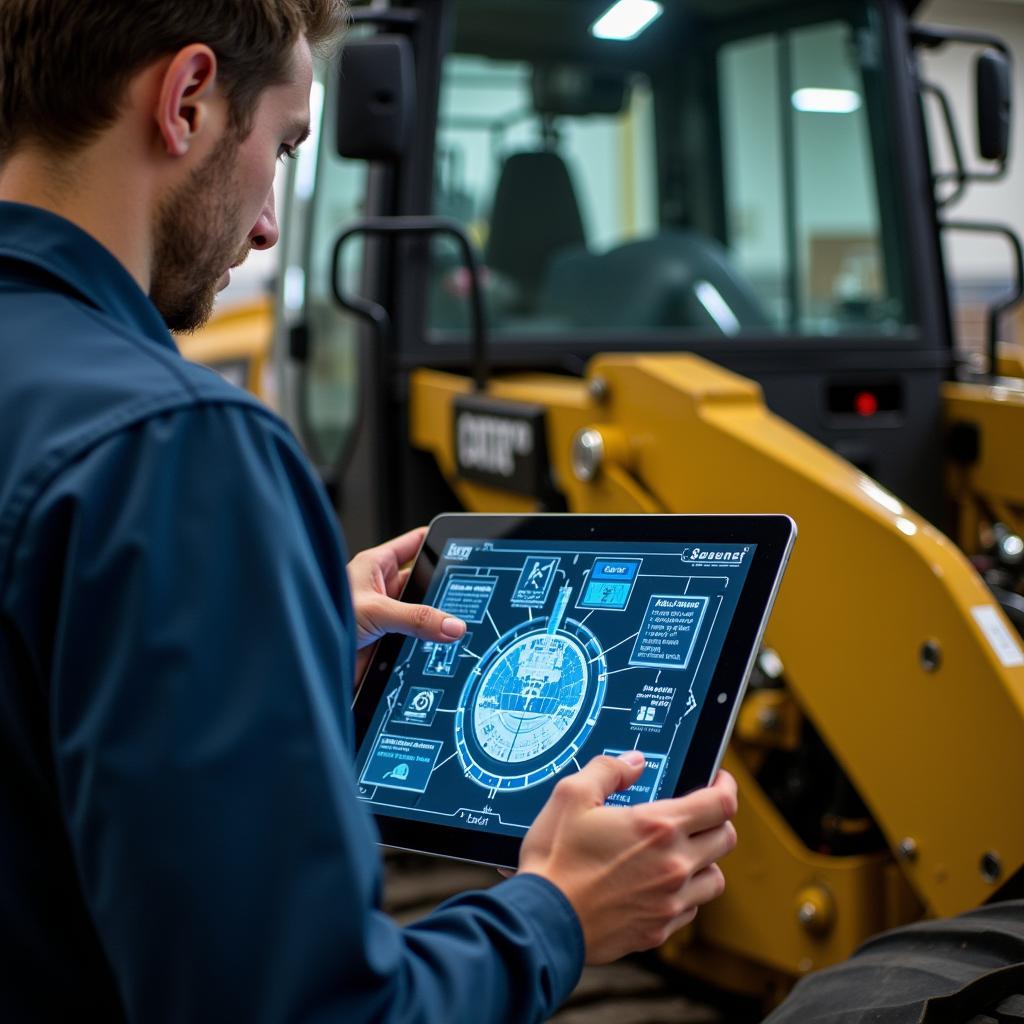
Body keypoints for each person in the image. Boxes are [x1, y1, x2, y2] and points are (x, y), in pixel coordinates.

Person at [0, 2, 738, 1021]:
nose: (264, 226)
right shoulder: (171, 447)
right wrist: (556, 914)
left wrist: (273, 631)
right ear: (187, 101)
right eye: (284, 146)